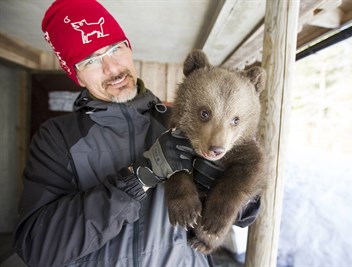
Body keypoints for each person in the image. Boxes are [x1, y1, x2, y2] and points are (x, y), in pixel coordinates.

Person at [12, 0, 261, 266]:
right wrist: (138, 178)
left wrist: (231, 192)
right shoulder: (57, 139)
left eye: (115, 49)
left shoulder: (182, 123)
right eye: (90, 61)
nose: (112, 68)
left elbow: (245, 216)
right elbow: (37, 247)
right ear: (76, 75)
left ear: (129, 48)